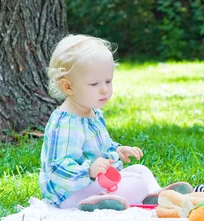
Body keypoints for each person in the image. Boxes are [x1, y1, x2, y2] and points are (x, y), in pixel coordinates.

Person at [40, 34, 191, 211]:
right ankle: (101, 201)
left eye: (108, 81)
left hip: (93, 181)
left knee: (140, 171)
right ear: (68, 87)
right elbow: (57, 167)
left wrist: (116, 151)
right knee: (137, 183)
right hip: (69, 194)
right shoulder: (65, 124)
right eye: (94, 83)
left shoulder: (92, 113)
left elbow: (99, 148)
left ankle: (156, 195)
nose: (104, 89)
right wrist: (89, 171)